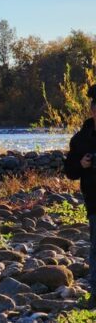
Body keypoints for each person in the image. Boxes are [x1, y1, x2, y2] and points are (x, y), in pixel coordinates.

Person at [64, 84, 96, 304]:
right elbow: (69, 171)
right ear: (92, 110)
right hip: (94, 199)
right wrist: (81, 164)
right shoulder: (80, 139)